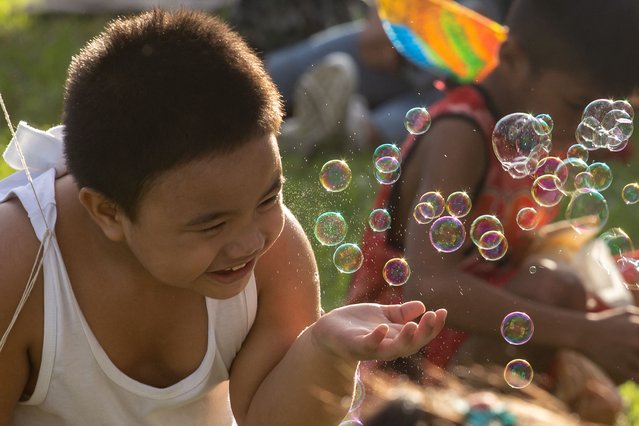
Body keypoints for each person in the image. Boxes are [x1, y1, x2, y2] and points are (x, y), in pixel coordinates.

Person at [0, 9, 448, 425]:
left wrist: (325, 350)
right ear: (108, 213)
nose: (251, 240)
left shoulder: (275, 251)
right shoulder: (20, 267)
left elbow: (271, 419)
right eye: (212, 225)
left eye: (269, 197)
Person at [348, 0, 639, 408]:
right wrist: (585, 332)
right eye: (578, 106)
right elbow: (429, 285)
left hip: (480, 330)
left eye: (603, 115)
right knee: (556, 288)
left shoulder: (541, 122)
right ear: (514, 58)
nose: (584, 130)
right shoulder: (461, 134)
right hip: (401, 360)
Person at [267, 1, 512, 155]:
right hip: (402, 35)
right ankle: (327, 122)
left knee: (445, 104)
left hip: (470, 78)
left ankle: (330, 129)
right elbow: (372, 44)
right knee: (275, 72)